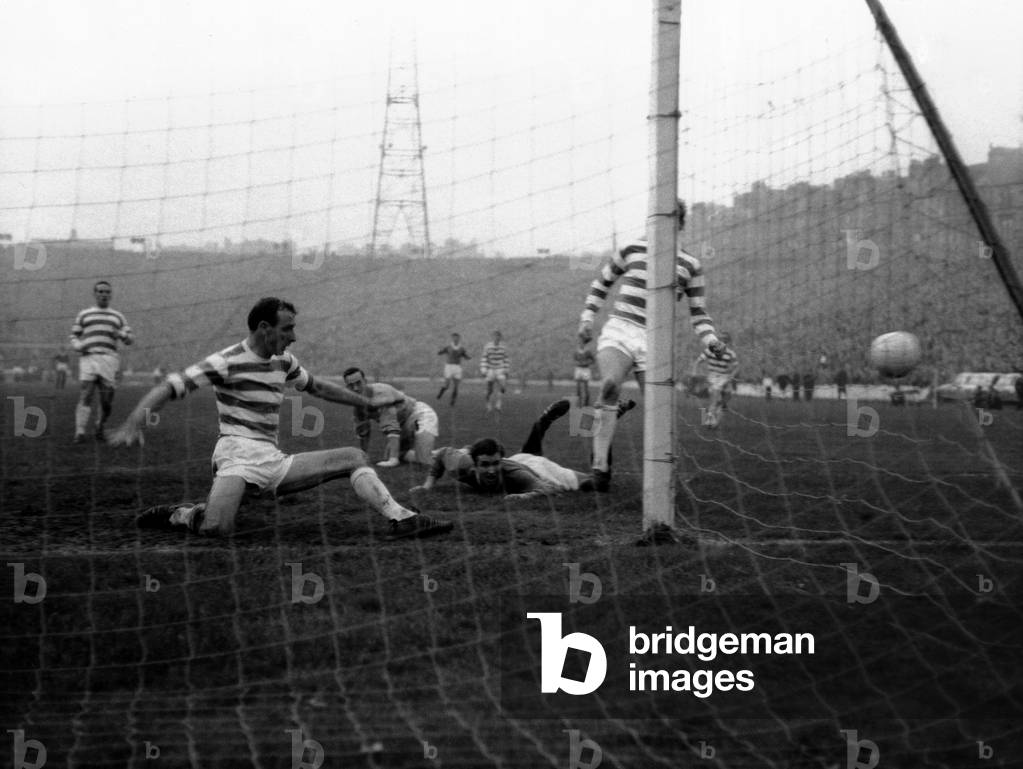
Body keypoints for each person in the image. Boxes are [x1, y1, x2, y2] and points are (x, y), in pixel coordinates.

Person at [106, 297, 452, 540]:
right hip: (236, 457)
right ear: (263, 327)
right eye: (287, 329)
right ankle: (183, 514)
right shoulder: (226, 361)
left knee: (354, 457)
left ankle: (402, 518)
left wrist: (363, 401)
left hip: (274, 460)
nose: (293, 336)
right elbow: (171, 386)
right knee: (217, 530)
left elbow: (317, 387)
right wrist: (135, 421)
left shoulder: (285, 362)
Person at [577, 200, 726, 490]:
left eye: (669, 221)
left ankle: (662, 475)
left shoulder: (690, 264)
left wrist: (711, 340)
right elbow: (602, 283)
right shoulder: (631, 249)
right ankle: (599, 467)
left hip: (656, 339)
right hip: (620, 329)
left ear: (679, 224)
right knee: (609, 385)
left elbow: (698, 313)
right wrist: (587, 319)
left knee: (659, 409)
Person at [411, 397, 635, 501]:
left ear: (501, 460)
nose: (490, 471)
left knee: (600, 482)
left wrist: (523, 497)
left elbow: (548, 489)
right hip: (522, 459)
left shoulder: (513, 474)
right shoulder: (462, 464)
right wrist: (428, 484)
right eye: (485, 465)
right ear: (474, 463)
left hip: (542, 471)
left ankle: (606, 420)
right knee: (529, 455)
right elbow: (440, 455)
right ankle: (544, 422)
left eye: (494, 464)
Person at [70, 280, 134, 442]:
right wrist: (78, 346)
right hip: (89, 357)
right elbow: (74, 335)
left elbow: (130, 339)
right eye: (100, 291)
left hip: (109, 359)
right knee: (86, 394)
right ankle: (80, 432)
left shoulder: (117, 316)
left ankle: (100, 424)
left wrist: (121, 334)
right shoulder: (84, 314)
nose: (103, 294)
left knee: (106, 401)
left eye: (107, 292)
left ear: (110, 295)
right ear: (95, 294)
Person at [342, 367, 440, 468]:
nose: (355, 388)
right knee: (399, 454)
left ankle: (443, 455)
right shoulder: (358, 407)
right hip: (403, 424)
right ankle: (440, 453)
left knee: (424, 461)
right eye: (351, 385)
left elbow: (391, 424)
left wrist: (393, 459)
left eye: (358, 383)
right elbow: (364, 433)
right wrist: (362, 457)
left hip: (420, 414)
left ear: (365, 381)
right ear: (346, 387)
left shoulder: (381, 393)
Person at [691, 332, 738, 428]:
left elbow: (736, 367)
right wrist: (694, 373)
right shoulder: (710, 350)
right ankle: (711, 422)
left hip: (724, 378)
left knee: (721, 400)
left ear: (728, 342)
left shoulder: (730, 354)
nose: (722, 342)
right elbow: (698, 362)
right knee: (715, 399)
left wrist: (731, 376)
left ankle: (711, 420)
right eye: (721, 340)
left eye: (725, 341)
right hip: (712, 378)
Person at [435, 332, 471, 405]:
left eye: (457, 338)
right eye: (454, 338)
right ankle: (441, 393)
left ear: (459, 339)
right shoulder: (448, 347)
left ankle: (453, 400)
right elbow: (440, 352)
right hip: (449, 366)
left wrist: (468, 357)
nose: (455, 339)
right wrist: (439, 351)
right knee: (447, 385)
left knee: (456, 385)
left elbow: (465, 356)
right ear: (452, 338)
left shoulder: (461, 348)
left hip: (457, 367)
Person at [480, 330, 510, 413]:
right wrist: (483, 370)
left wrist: (506, 370)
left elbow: (506, 359)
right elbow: (484, 358)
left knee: (503, 386)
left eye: (498, 337)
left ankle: (498, 404)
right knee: (489, 390)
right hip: (490, 370)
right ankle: (488, 405)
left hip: (500, 369)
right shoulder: (488, 346)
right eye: (495, 336)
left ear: (500, 338)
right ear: (493, 337)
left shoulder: (503, 347)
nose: (497, 338)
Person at [573, 342, 596, 406]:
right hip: (579, 369)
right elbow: (575, 359)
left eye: (582, 343)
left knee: (586, 387)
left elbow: (593, 360)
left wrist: (587, 363)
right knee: (578, 387)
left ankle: (586, 403)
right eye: (580, 343)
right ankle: (579, 402)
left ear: (584, 344)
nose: (581, 344)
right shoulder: (576, 351)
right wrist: (577, 363)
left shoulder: (588, 351)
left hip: (585, 369)